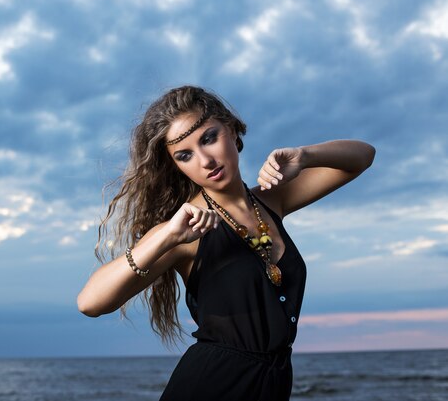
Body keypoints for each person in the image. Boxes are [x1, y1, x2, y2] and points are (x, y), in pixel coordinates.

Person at [77, 86, 375, 400]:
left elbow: (363, 156)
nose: (205, 160)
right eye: (185, 155)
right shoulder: (184, 230)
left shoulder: (273, 200)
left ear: (231, 129)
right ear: (176, 166)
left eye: (208, 138)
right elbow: (90, 303)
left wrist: (305, 155)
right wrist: (165, 236)